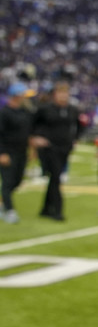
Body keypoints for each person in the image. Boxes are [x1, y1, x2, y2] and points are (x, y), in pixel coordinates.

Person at [30, 81, 82, 221]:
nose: (63, 96)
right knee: (56, 177)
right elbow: (32, 124)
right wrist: (35, 138)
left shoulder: (72, 109)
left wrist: (75, 138)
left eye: (65, 93)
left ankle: (45, 209)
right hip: (49, 147)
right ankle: (58, 211)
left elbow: (79, 124)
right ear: (54, 95)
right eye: (60, 93)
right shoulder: (45, 109)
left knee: (54, 178)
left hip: (64, 148)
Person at [1, 82, 35, 224]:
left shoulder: (25, 112)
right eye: (23, 95)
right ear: (16, 96)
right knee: (8, 182)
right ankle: (9, 210)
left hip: (21, 152)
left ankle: (4, 204)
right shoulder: (4, 112)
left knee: (18, 181)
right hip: (8, 152)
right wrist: (2, 153)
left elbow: (29, 133)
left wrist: (32, 150)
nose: (26, 98)